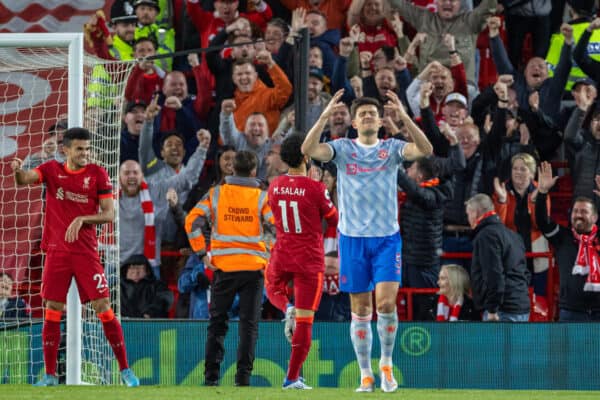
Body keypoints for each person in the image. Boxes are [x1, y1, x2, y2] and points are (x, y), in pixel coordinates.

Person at [301, 89, 433, 392]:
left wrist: (404, 116)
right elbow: (309, 149)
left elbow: (424, 149)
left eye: (372, 113)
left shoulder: (392, 148)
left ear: (380, 121)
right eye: (362, 114)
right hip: (352, 239)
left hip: (387, 238)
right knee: (360, 309)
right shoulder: (343, 148)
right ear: (355, 123)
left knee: (386, 303)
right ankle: (365, 374)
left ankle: (386, 365)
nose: (368, 116)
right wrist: (323, 116)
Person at [10, 127, 139, 387]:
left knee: (103, 307)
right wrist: (16, 169)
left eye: (88, 149)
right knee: (53, 310)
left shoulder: (98, 174)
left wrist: (82, 218)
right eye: (80, 149)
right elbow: (24, 180)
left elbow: (108, 214)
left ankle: (125, 370)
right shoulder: (51, 170)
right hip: (57, 252)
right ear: (65, 149)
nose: (85, 153)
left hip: (85, 253)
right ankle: (49, 375)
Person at [184, 151, 274, 387]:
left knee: (217, 323)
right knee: (249, 325)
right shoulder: (262, 197)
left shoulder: (215, 194)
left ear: (232, 169)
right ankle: (243, 378)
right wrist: (269, 253)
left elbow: (192, 222)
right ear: (254, 171)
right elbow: (277, 227)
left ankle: (211, 377)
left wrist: (202, 253)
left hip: (223, 268)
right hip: (253, 270)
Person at [265, 133, 338, 390]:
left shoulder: (274, 185)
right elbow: (334, 218)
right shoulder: (316, 188)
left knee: (272, 289)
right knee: (306, 323)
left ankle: (286, 307)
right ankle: (291, 377)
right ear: (307, 156)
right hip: (309, 258)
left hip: (283, 252)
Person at [535, 162, 600, 321]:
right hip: (571, 312)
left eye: (584, 211)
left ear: (594, 218)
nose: (578, 214)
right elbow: (543, 221)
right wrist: (542, 192)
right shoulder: (562, 237)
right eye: (576, 211)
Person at [465, 194, 531, 322]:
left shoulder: (486, 235)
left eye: (468, 214)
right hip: (520, 306)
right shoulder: (514, 236)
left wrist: (492, 309)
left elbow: (494, 274)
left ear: (474, 213)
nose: (468, 219)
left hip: (502, 311)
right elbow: (525, 273)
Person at [120, 254, 173, 318]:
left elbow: (164, 300)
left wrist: (150, 313)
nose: (136, 272)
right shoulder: (118, 287)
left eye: (140, 268)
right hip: (124, 324)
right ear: (125, 270)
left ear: (147, 271)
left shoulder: (158, 286)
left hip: (151, 323)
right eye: (132, 268)